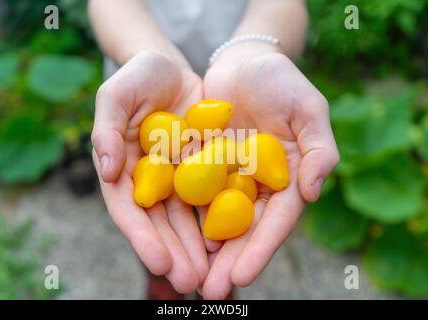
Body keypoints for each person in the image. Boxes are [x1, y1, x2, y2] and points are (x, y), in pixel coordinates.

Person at [88, 0, 339, 300]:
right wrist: (146, 51)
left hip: (247, 90)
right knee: (153, 231)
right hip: (144, 86)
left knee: (214, 257)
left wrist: (254, 51)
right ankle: (163, 282)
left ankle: (214, 290)